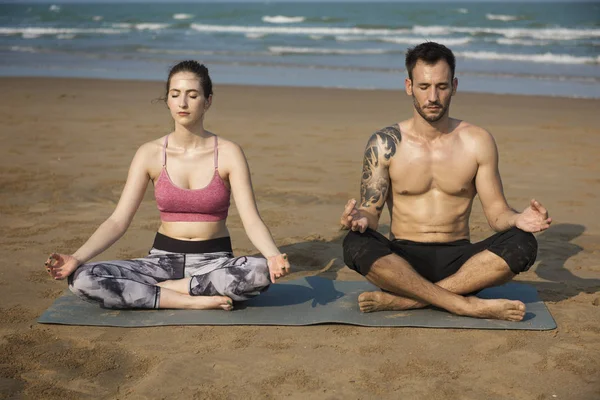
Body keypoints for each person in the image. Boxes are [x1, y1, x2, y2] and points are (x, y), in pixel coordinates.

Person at [44, 60, 290, 310]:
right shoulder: (149, 153)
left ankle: (163, 292)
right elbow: (118, 221)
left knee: (259, 271)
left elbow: (251, 219)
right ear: (168, 100)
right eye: (175, 95)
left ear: (208, 101)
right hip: (161, 263)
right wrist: (76, 258)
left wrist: (272, 255)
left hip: (214, 262)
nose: (182, 103)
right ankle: (188, 301)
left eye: (192, 95)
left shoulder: (228, 153)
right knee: (82, 278)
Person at [340, 42, 551, 321]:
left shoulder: (477, 141)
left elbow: (496, 213)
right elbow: (372, 213)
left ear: (454, 86)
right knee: (354, 243)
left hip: (462, 263)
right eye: (424, 86)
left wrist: (517, 220)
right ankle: (463, 304)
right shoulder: (385, 143)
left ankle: (408, 301)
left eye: (441, 86)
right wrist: (360, 219)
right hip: (402, 259)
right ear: (408, 86)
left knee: (523, 243)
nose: (433, 97)